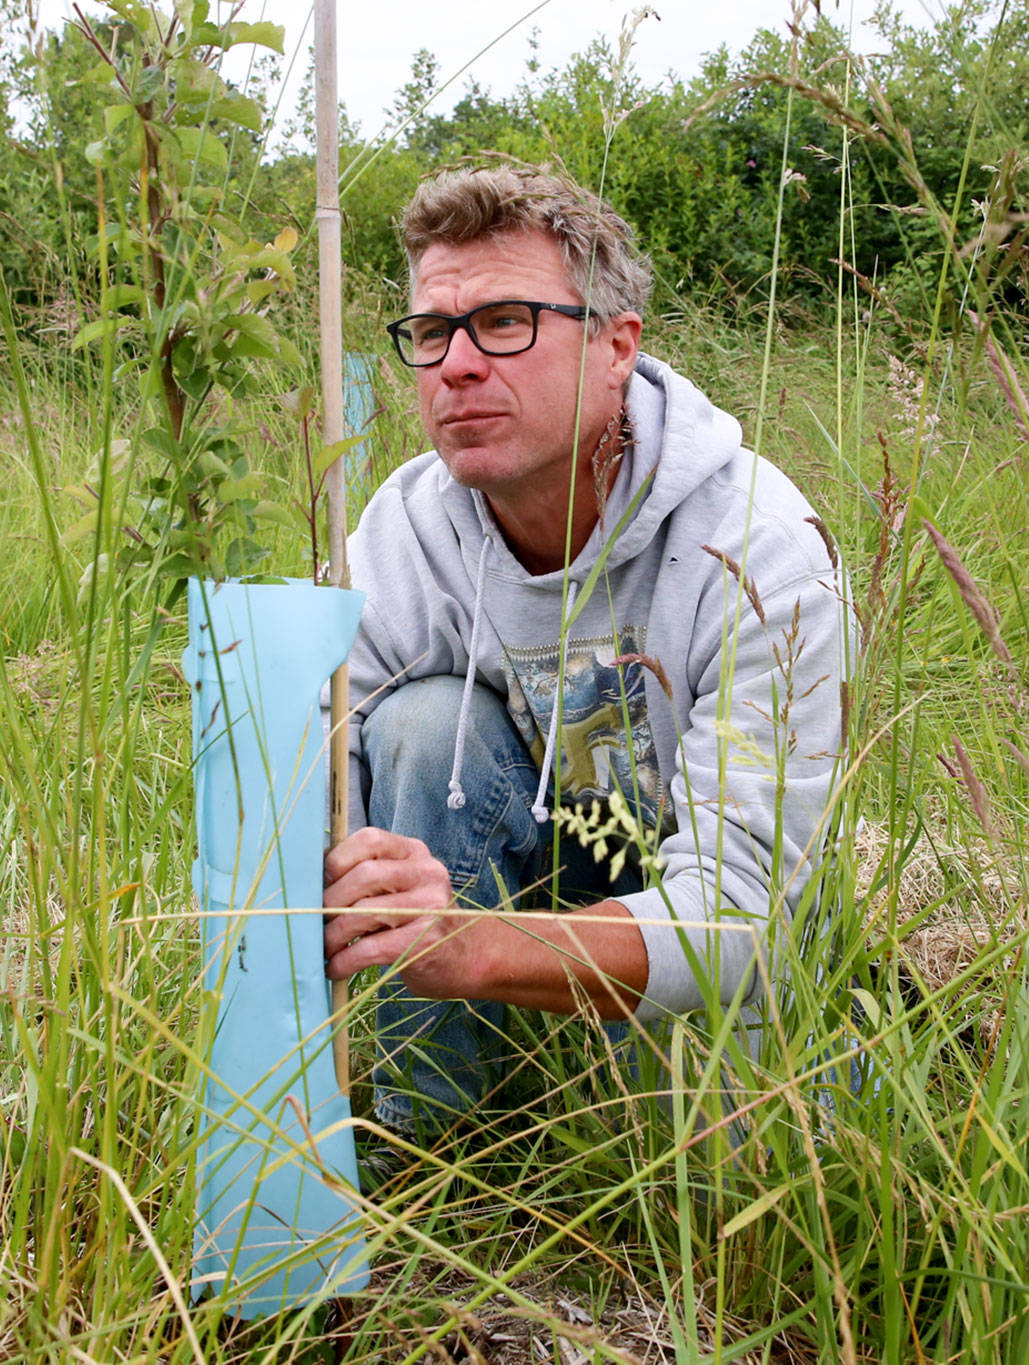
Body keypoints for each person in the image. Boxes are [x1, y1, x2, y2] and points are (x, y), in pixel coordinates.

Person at [320, 165, 849, 1141]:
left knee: (715, 1173)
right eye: (432, 332)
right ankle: (429, 1148)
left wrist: (474, 950)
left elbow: (741, 921)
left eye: (506, 321)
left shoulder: (760, 548)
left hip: (691, 940)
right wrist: (343, 878)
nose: (457, 365)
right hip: (520, 882)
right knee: (414, 728)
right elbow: (313, 774)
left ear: (615, 347)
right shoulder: (408, 529)